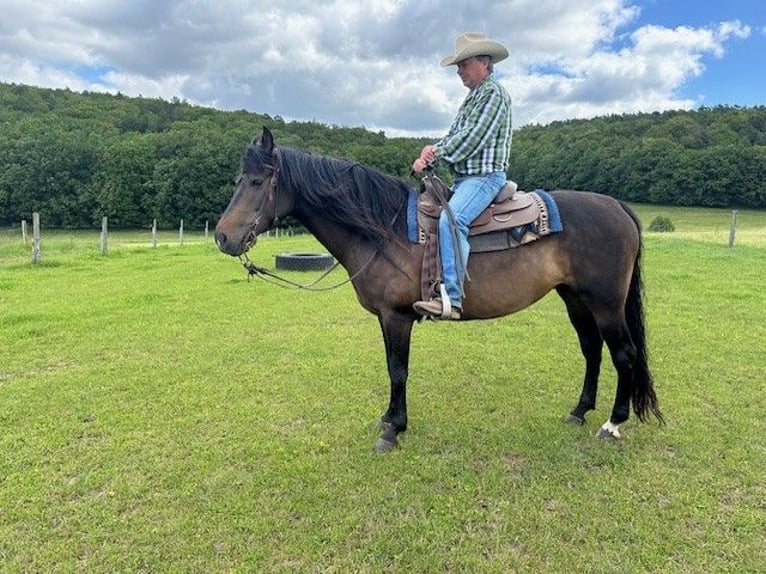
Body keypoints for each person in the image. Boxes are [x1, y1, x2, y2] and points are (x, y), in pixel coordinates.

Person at [412, 32, 513, 320]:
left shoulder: (494, 94)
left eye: (463, 64)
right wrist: (432, 151)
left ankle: (452, 299)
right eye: (458, 66)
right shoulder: (472, 99)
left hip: (485, 178)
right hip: (464, 180)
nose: (459, 71)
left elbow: (473, 138)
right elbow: (455, 135)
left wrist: (434, 153)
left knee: (451, 220)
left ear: (484, 62)